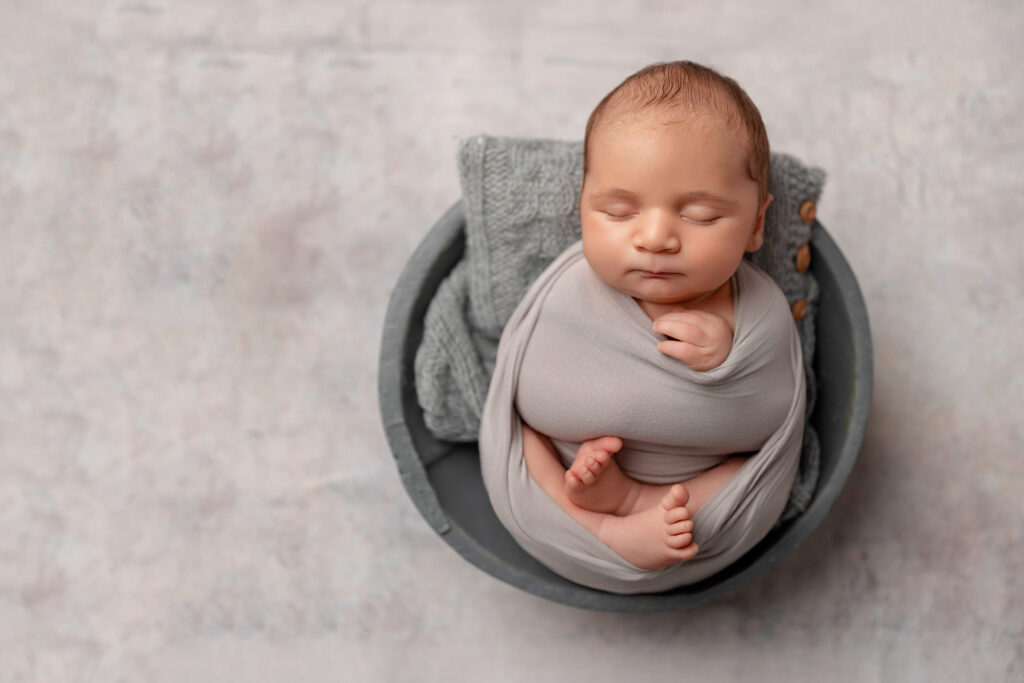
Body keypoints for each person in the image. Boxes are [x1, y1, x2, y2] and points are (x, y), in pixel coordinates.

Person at [512, 60, 793, 571]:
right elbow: (522, 377)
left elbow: (775, 410)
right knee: (520, 443)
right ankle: (601, 526)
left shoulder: (759, 307)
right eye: (619, 213)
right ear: (580, 207)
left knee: (747, 474)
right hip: (568, 475)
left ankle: (632, 506)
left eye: (700, 216)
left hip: (695, 492)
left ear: (756, 225)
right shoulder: (566, 286)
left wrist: (728, 358)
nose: (656, 238)